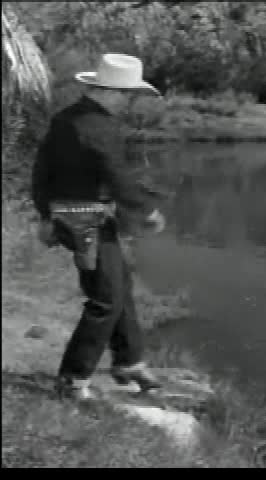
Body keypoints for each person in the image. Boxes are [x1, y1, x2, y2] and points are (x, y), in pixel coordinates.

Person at [32, 53, 166, 401]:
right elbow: (117, 176)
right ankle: (72, 379)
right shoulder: (100, 128)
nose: (129, 102)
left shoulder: (66, 119)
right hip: (86, 222)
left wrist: (45, 214)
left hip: (75, 218)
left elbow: (41, 172)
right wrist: (146, 211)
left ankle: (129, 360)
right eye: (129, 95)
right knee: (105, 299)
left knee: (119, 285)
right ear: (111, 92)